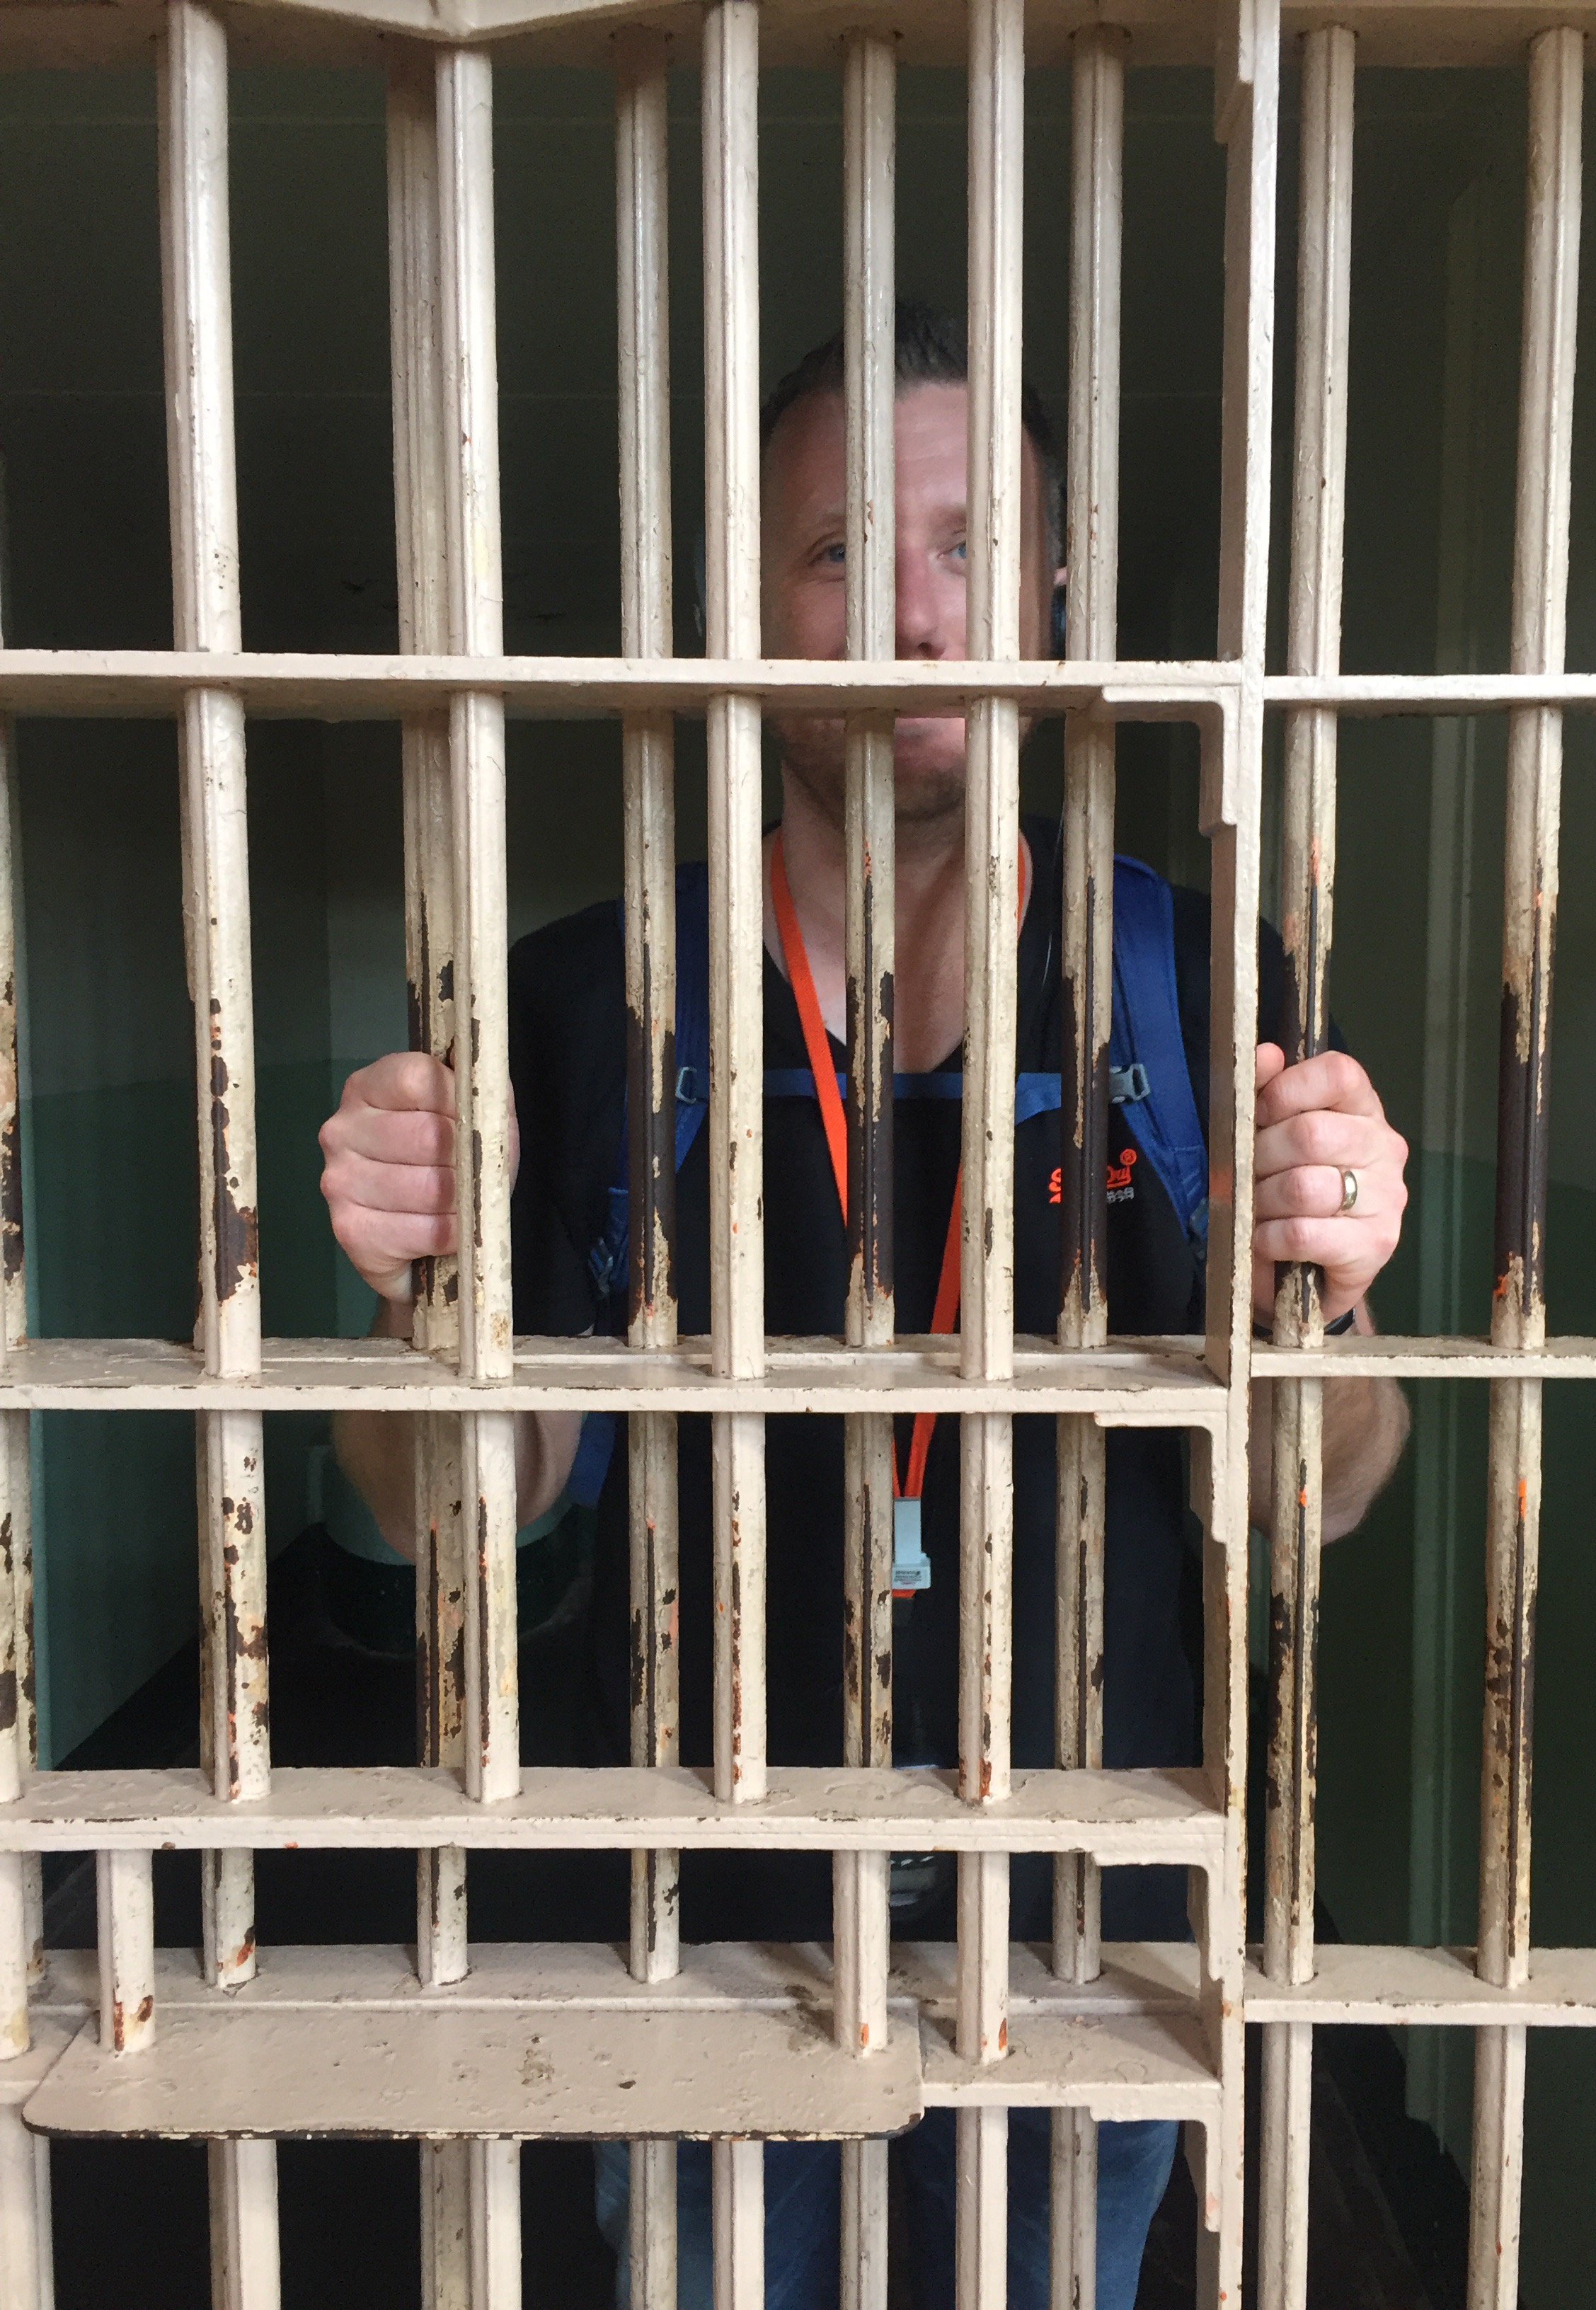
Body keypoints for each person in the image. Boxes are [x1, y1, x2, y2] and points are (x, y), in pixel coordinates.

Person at [319, 303, 1411, 2310]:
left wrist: (1329, 1304)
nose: (915, 617)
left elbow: (1318, 1498)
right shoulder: (581, 1004)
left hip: (1086, 1898)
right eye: (839, 551)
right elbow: (450, 1510)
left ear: (1054, 587)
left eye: (971, 545)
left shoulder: (1193, 983)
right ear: (750, 604)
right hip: (689, 1892)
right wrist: (412, 1309)